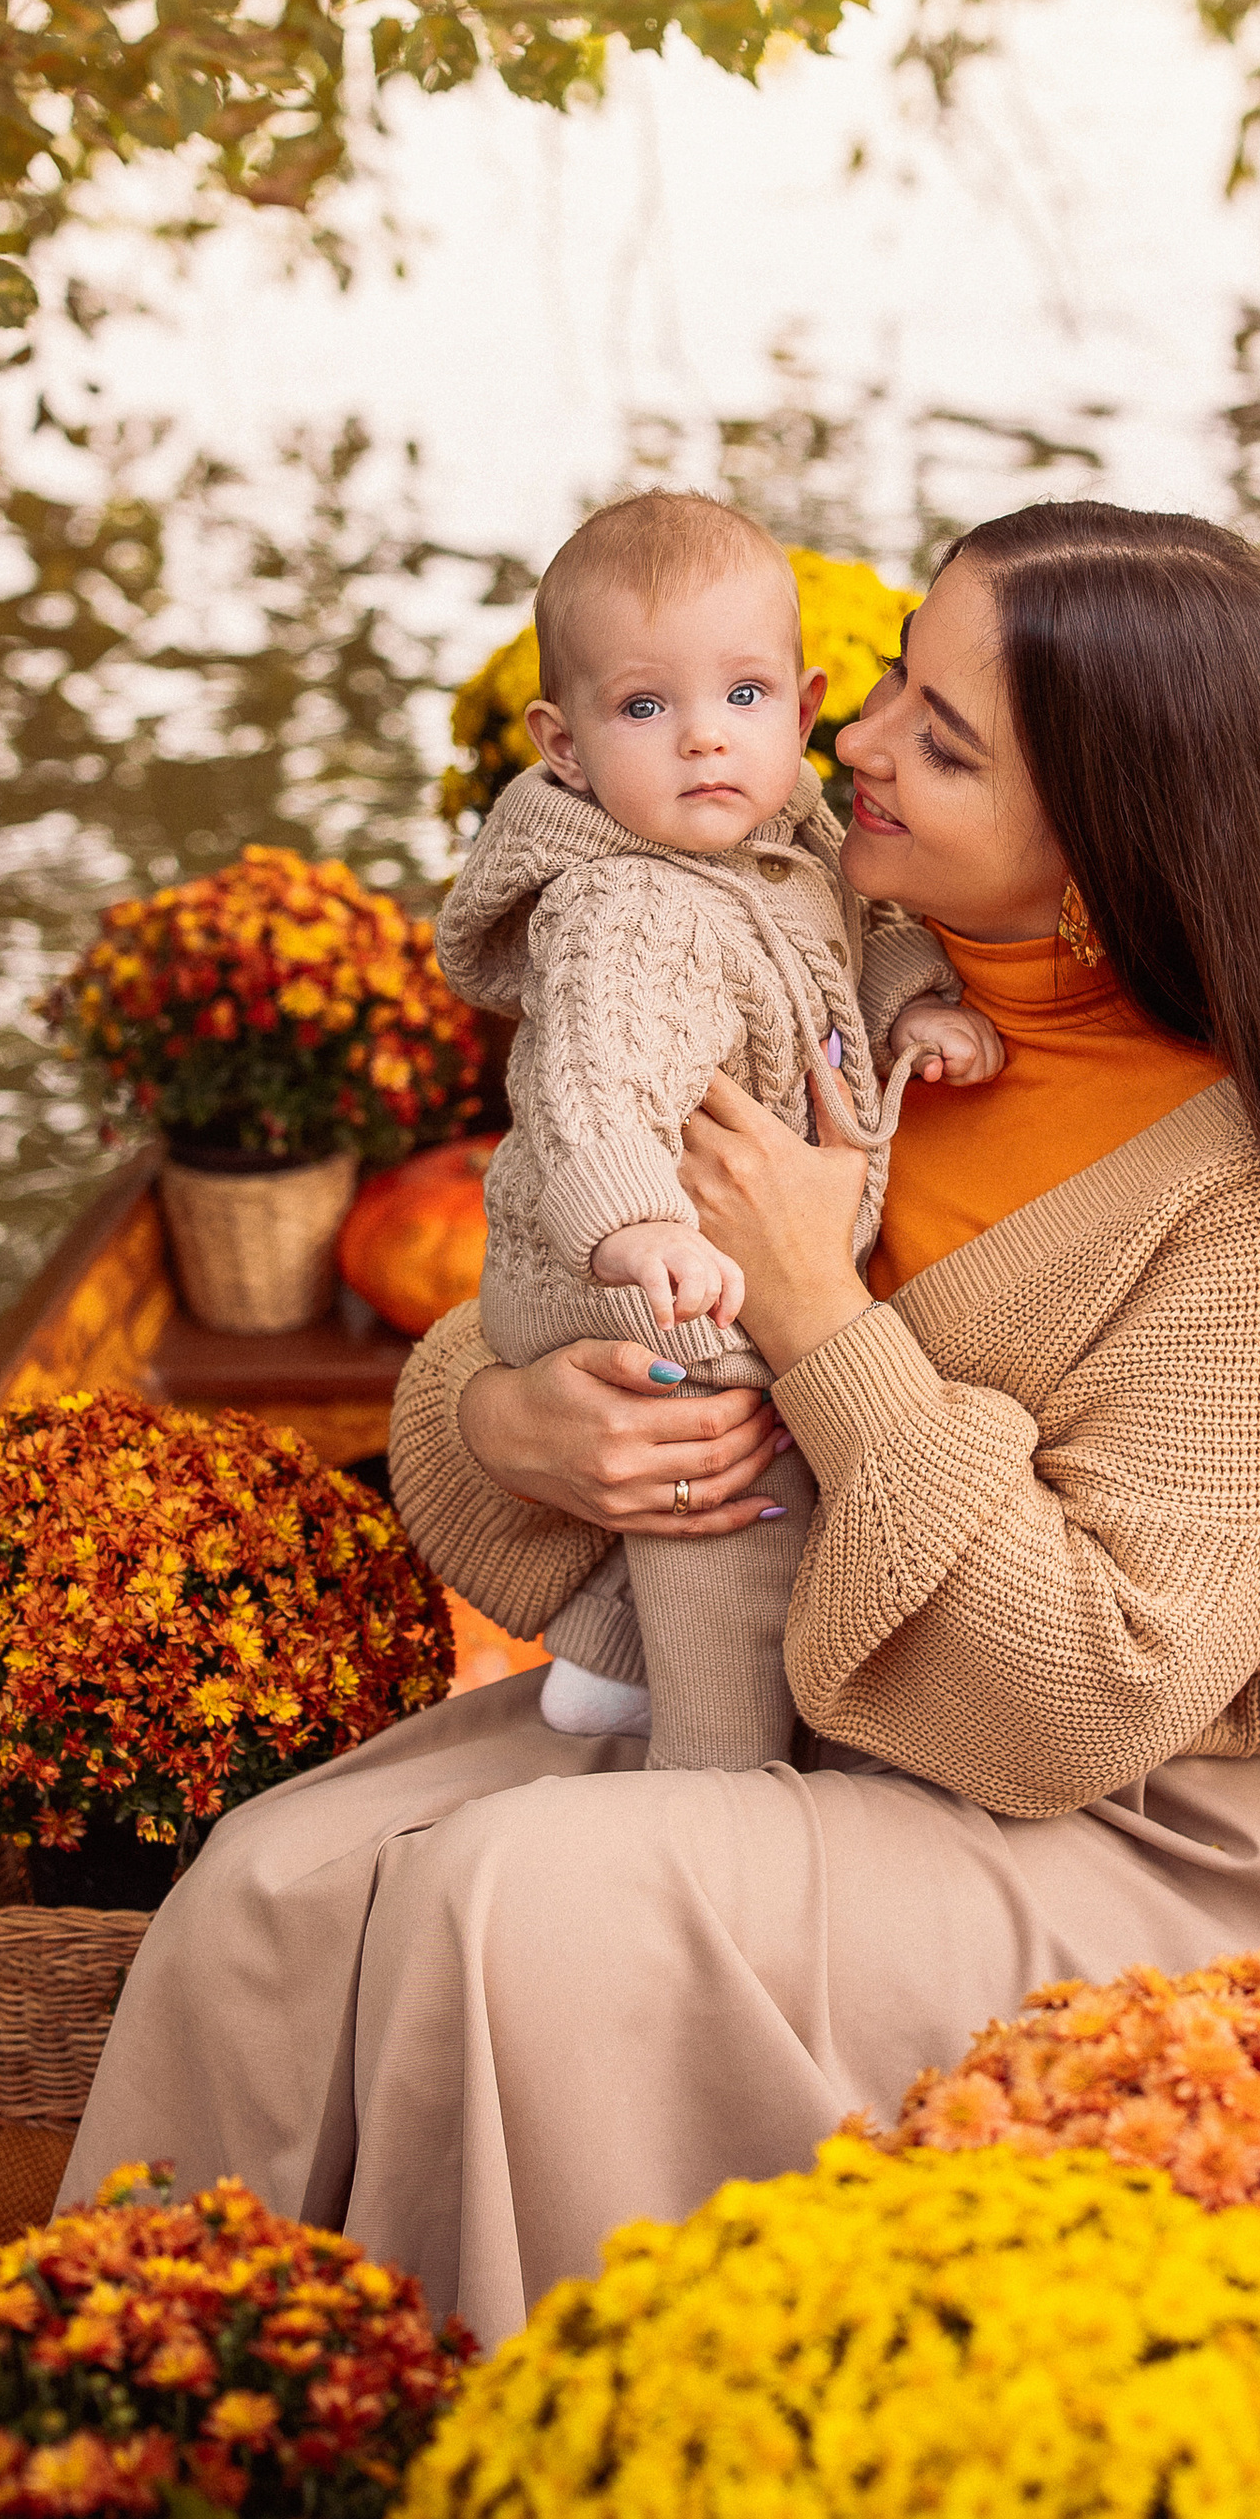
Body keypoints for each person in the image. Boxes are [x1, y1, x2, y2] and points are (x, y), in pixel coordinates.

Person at [60, 499, 1260, 2351]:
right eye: (897, 674)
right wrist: (506, 1425)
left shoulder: (1248, 1206)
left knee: (521, 1910)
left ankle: (543, 2499)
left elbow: (1089, 1687)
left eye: (945, 740)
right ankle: (154, 2435)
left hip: (1137, 1833)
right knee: (266, 1891)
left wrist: (822, 1313)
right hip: (801, 1706)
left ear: (1106, 850)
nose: (855, 734)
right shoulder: (804, 959)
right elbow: (571, 1303)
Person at [433, 489, 1001, 1771]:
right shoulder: (625, 910)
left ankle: (602, 1668)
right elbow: (592, 1086)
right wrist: (637, 1230)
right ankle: (716, 1761)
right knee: (736, 1505)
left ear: (803, 712)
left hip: (698, 1235)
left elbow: (849, 944)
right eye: (644, 708)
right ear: (564, 745)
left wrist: (919, 1003)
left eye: (741, 698)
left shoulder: (781, 833)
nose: (702, 741)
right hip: (636, 1271)